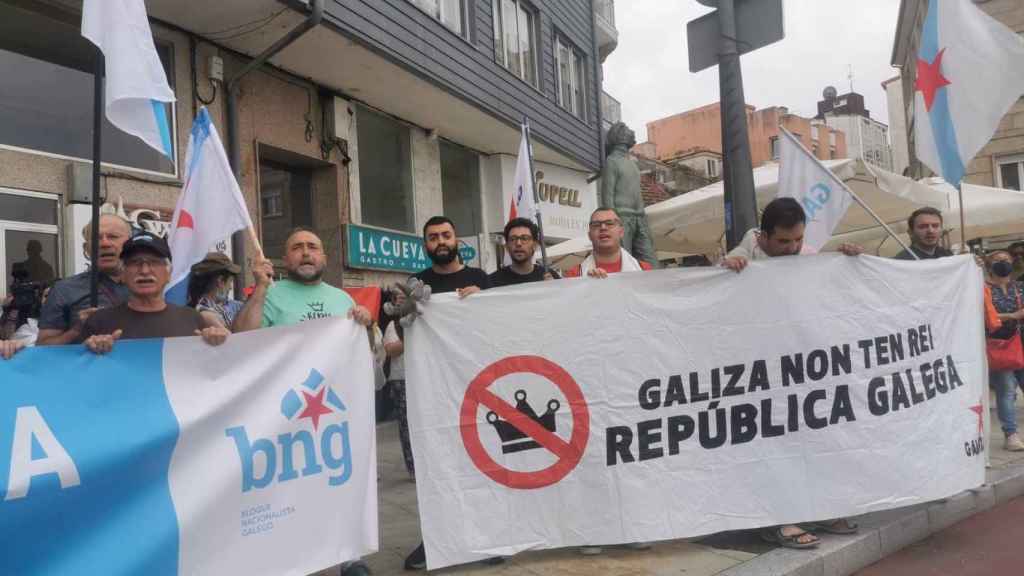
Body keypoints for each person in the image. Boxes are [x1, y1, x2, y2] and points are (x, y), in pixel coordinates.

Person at [721, 197, 862, 549]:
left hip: (802, 372)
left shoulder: (807, 257)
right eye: (783, 241)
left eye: (797, 240)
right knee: (773, 447)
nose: (792, 248)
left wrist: (845, 261)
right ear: (763, 237)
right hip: (759, 377)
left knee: (815, 441)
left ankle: (820, 506)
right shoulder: (743, 257)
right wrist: (727, 268)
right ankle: (780, 520)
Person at [231, 227, 372, 576]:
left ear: (324, 257)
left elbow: (361, 355)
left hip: (335, 414)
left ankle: (347, 557)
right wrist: (261, 287)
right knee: (292, 491)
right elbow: (242, 339)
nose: (306, 253)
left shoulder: (342, 299)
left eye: (313, 247)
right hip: (286, 416)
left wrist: (366, 326)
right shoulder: (271, 295)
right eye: (297, 247)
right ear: (285, 257)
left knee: (338, 484)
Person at [404, 216, 493, 571]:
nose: (440, 241)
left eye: (445, 235)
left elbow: (500, 323)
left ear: (458, 240)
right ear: (424, 245)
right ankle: (436, 538)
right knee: (436, 466)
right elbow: (396, 333)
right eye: (432, 237)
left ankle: (485, 537)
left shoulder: (481, 279)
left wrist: (483, 300)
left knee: (479, 464)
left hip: (476, 387)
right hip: (432, 391)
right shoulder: (414, 285)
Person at [80, 232, 229, 353]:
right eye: (135, 263)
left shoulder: (192, 318)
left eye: (154, 262)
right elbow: (77, 372)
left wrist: (220, 342)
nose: (145, 270)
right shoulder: (99, 321)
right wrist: (90, 349)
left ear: (169, 273)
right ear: (123, 274)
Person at [37, 214, 132, 346]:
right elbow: (43, 346)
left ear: (130, 243)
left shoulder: (147, 286)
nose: (104, 243)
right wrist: (76, 330)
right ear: (86, 248)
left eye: (113, 237)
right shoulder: (64, 290)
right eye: (96, 238)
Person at [984, 250, 1024, 451]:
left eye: (1006, 260)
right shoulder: (983, 289)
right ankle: (1011, 435)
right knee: (1006, 390)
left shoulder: (1019, 287)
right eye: (998, 260)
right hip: (999, 346)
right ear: (988, 265)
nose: (1003, 263)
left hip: (1022, 344)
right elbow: (983, 314)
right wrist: (1013, 315)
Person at [564, 207, 654, 278]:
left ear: (621, 232)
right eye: (596, 225)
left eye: (610, 223)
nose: (603, 227)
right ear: (589, 235)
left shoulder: (644, 270)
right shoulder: (574, 275)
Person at [489, 217, 556, 287]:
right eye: (513, 239)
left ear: (535, 245)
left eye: (524, 238)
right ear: (506, 246)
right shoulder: (491, 282)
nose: (518, 243)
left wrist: (554, 290)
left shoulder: (551, 277)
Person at [187, 252, 244, 330]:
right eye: (230, 281)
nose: (230, 287)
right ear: (220, 281)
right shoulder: (206, 313)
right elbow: (233, 340)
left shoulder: (193, 307)